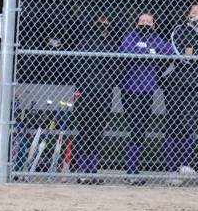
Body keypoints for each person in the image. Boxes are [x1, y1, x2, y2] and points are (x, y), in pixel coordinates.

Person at [119, 11, 174, 185]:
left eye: (148, 22)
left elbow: (169, 50)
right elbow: (128, 49)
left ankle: (133, 170)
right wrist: (150, 50)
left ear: (153, 25)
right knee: (135, 127)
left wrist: (147, 48)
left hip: (147, 90)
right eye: (142, 21)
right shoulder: (130, 35)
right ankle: (131, 172)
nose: (145, 24)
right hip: (130, 89)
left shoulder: (156, 38)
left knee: (140, 128)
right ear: (137, 23)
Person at [71, 14, 118, 184]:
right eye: (99, 22)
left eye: (106, 22)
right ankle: (82, 170)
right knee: (85, 129)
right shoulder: (84, 43)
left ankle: (92, 170)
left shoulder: (112, 45)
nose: (103, 25)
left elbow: (116, 68)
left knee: (98, 131)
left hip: (104, 92)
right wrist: (100, 63)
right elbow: (78, 67)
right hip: (86, 91)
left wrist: (103, 69)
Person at [165, 2, 198, 183]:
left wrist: (193, 53)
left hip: (195, 83)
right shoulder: (179, 29)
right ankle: (171, 169)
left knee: (188, 123)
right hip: (177, 82)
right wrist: (190, 55)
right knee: (173, 123)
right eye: (194, 12)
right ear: (188, 14)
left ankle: (185, 165)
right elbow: (183, 56)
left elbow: (192, 54)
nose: (197, 15)